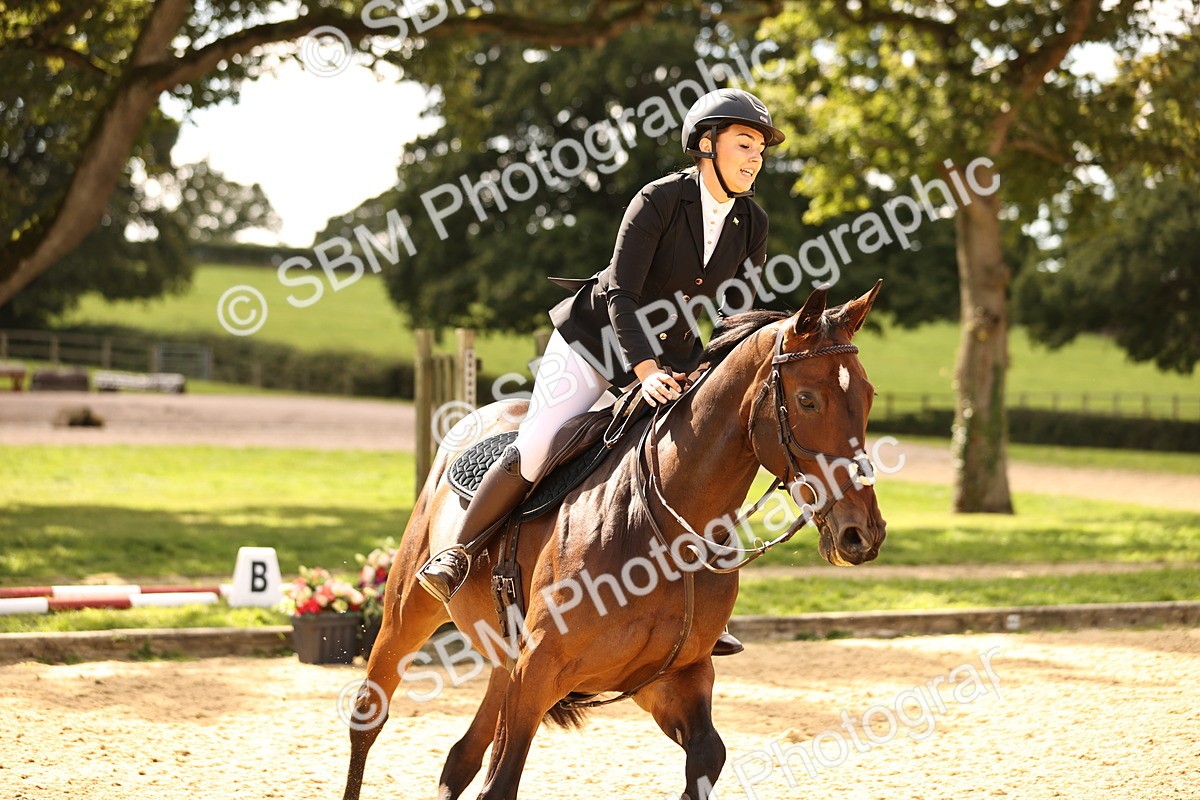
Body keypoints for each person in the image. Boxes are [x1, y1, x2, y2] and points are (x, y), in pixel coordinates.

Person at [418, 89, 785, 655]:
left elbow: (738, 313)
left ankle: (695, 606)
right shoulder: (658, 200)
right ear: (707, 145)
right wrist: (643, 370)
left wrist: (718, 370)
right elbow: (621, 293)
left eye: (760, 149)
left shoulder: (751, 221)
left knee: (698, 459)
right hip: (596, 342)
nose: (755, 158)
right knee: (540, 442)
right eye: (744, 144)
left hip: (675, 354)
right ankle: (455, 555)